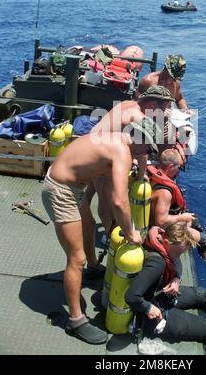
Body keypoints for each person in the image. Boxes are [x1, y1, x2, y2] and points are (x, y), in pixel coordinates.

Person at [42, 117, 161, 344]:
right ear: (140, 139)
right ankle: (76, 321)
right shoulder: (122, 152)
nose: (147, 153)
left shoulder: (118, 139)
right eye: (147, 147)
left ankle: (94, 268)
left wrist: (140, 168)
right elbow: (119, 201)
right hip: (60, 191)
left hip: (71, 186)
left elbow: (136, 158)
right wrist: (131, 233)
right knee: (76, 259)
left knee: (88, 228)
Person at [80, 86, 174, 278]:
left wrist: (140, 172)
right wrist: (141, 174)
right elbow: (143, 147)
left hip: (93, 147)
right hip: (102, 158)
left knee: (94, 190)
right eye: (163, 109)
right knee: (108, 202)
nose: (163, 113)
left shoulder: (128, 104)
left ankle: (87, 205)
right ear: (153, 104)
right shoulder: (138, 117)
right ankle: (113, 237)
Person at [125, 224, 206, 354]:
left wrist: (176, 278)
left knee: (202, 294)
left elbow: (176, 260)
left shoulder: (160, 238)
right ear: (167, 241)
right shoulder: (157, 264)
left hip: (160, 294)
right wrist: (149, 308)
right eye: (180, 251)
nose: (182, 254)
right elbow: (131, 296)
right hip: (150, 316)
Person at [148, 149, 206, 266]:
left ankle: (196, 235)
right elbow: (160, 221)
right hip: (169, 228)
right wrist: (182, 217)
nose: (179, 171)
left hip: (174, 215)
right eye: (179, 168)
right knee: (205, 240)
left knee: (194, 219)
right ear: (170, 166)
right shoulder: (165, 193)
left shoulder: (155, 175)